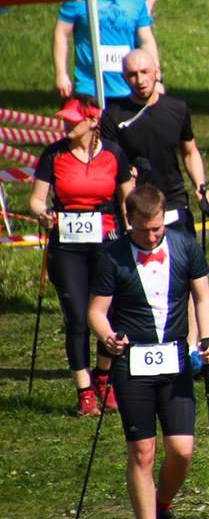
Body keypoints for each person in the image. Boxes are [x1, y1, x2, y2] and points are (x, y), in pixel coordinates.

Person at [87, 184, 209, 519]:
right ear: (130, 221)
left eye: (157, 228)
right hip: (132, 364)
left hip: (175, 359)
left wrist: (207, 338)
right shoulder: (112, 257)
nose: (151, 236)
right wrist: (108, 337)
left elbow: (203, 297)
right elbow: (96, 312)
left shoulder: (185, 245)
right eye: (143, 229)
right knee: (143, 453)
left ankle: (161, 506)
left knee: (182, 450)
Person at [28, 95, 134, 417]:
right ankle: (84, 392)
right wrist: (42, 213)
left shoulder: (113, 153)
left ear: (91, 121)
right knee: (77, 317)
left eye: (72, 120)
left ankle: (103, 377)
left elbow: (127, 199)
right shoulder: (53, 154)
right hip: (67, 244)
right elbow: (36, 199)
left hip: (107, 242)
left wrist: (132, 234)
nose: (65, 125)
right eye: (63, 119)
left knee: (106, 312)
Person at [100, 49, 209, 239]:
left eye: (145, 72)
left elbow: (189, 152)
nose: (140, 80)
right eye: (132, 75)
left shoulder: (177, 109)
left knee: (183, 257)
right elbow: (111, 166)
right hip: (137, 206)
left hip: (174, 202)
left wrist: (200, 186)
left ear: (157, 72)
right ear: (124, 78)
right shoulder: (113, 115)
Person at [53, 0, 160, 100]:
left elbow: (146, 40)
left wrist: (156, 79)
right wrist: (61, 74)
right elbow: (61, 33)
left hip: (127, 88)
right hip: (89, 89)